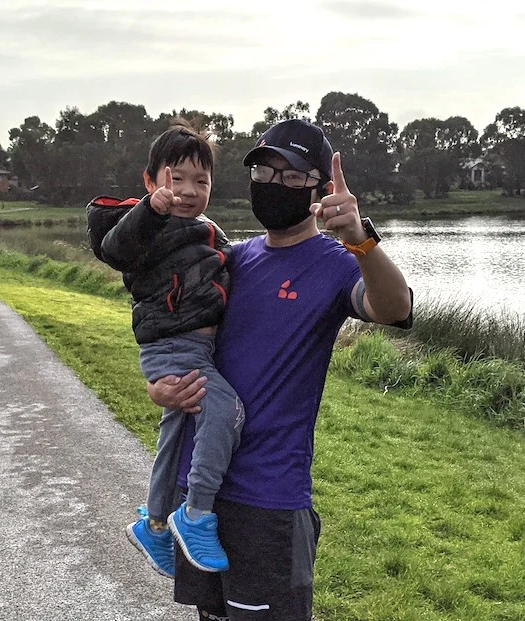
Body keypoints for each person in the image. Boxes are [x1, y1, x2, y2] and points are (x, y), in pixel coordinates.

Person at [147, 119, 413, 621]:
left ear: (320, 188)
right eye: (265, 172)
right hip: (196, 495)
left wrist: (362, 239)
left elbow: (395, 307)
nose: (274, 185)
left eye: (292, 178)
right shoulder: (229, 259)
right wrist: (160, 388)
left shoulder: (335, 263)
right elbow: (182, 340)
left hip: (268, 499)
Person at [86, 123, 243, 578]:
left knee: (174, 436)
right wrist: (151, 211)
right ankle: (194, 515)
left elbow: (231, 260)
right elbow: (114, 249)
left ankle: (155, 524)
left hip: (194, 348)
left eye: (202, 181)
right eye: (176, 179)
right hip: (175, 347)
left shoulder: (205, 230)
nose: (189, 191)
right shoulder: (144, 229)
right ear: (151, 181)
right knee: (227, 411)